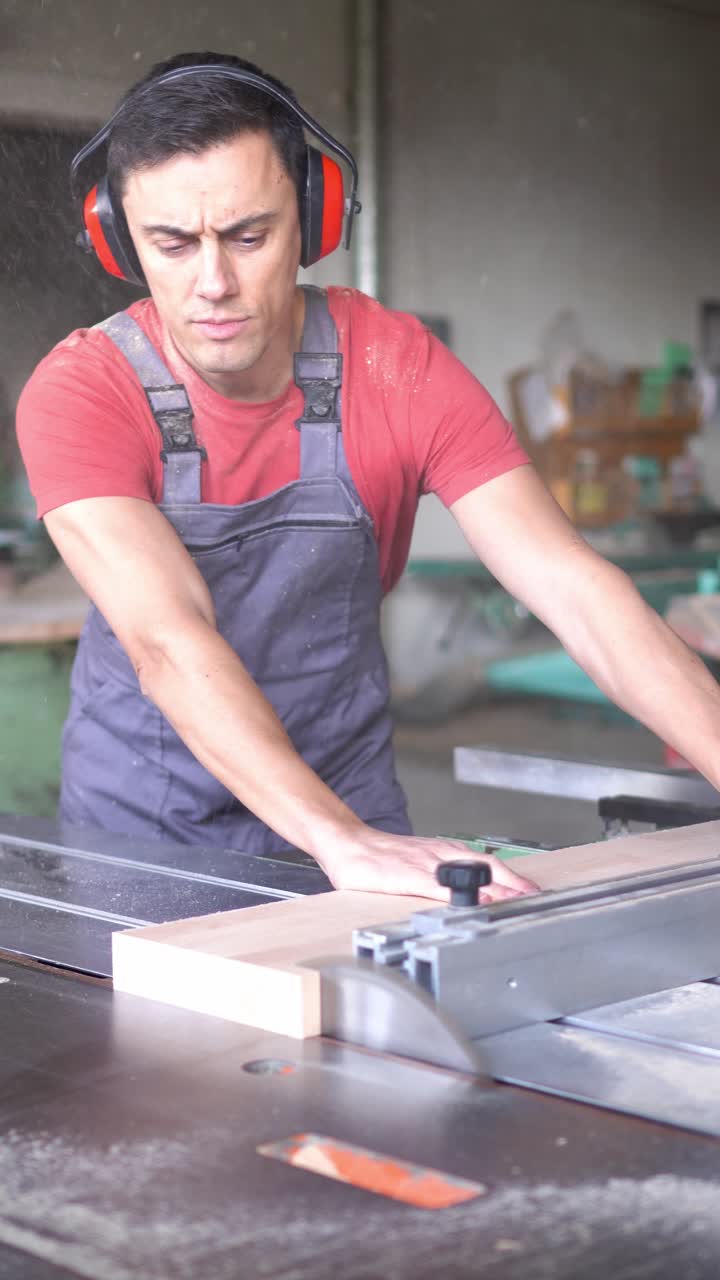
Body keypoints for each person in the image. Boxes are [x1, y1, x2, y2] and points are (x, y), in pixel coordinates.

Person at [16, 53, 720, 905]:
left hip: (354, 809)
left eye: (249, 236)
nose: (214, 283)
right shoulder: (83, 391)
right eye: (173, 243)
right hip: (145, 834)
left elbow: (570, 585)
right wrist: (336, 840)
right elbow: (168, 637)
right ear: (119, 237)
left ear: (313, 218)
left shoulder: (396, 367)